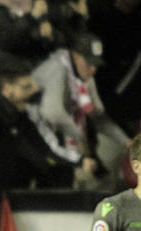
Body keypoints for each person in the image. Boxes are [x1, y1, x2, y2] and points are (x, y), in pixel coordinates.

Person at [32, 30, 130, 190]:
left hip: (71, 142)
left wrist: (125, 141)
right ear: (76, 56)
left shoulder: (85, 77)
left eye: (96, 64)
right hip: (43, 141)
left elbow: (96, 116)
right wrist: (79, 138)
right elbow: (53, 113)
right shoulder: (57, 68)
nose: (93, 70)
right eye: (89, 63)